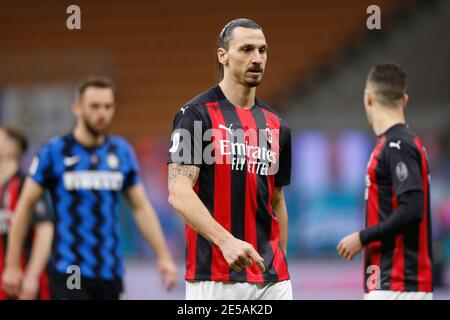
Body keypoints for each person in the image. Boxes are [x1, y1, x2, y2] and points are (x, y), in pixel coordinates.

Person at [2, 76, 177, 300]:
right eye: (94, 106)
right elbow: (24, 207)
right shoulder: (55, 151)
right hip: (70, 267)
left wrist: (163, 255)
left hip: (110, 269)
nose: (102, 113)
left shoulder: (120, 152)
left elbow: (141, 207)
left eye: (108, 106)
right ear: (77, 108)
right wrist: (13, 264)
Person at [167, 18, 292, 300]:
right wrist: (226, 242)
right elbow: (178, 191)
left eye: (262, 50)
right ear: (222, 55)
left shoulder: (277, 125)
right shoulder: (195, 115)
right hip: (215, 278)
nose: (257, 58)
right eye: (246, 49)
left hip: (273, 280)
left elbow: (277, 200)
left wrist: (281, 262)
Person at [337, 62, 433, 300]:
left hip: (399, 283)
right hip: (389, 282)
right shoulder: (398, 144)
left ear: (368, 98)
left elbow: (412, 209)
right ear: (405, 100)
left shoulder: (397, 146)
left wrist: (361, 237)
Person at [0, 126, 53, 300]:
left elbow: (45, 230)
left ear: (9, 150)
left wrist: (31, 276)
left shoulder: (25, 186)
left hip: (22, 287)